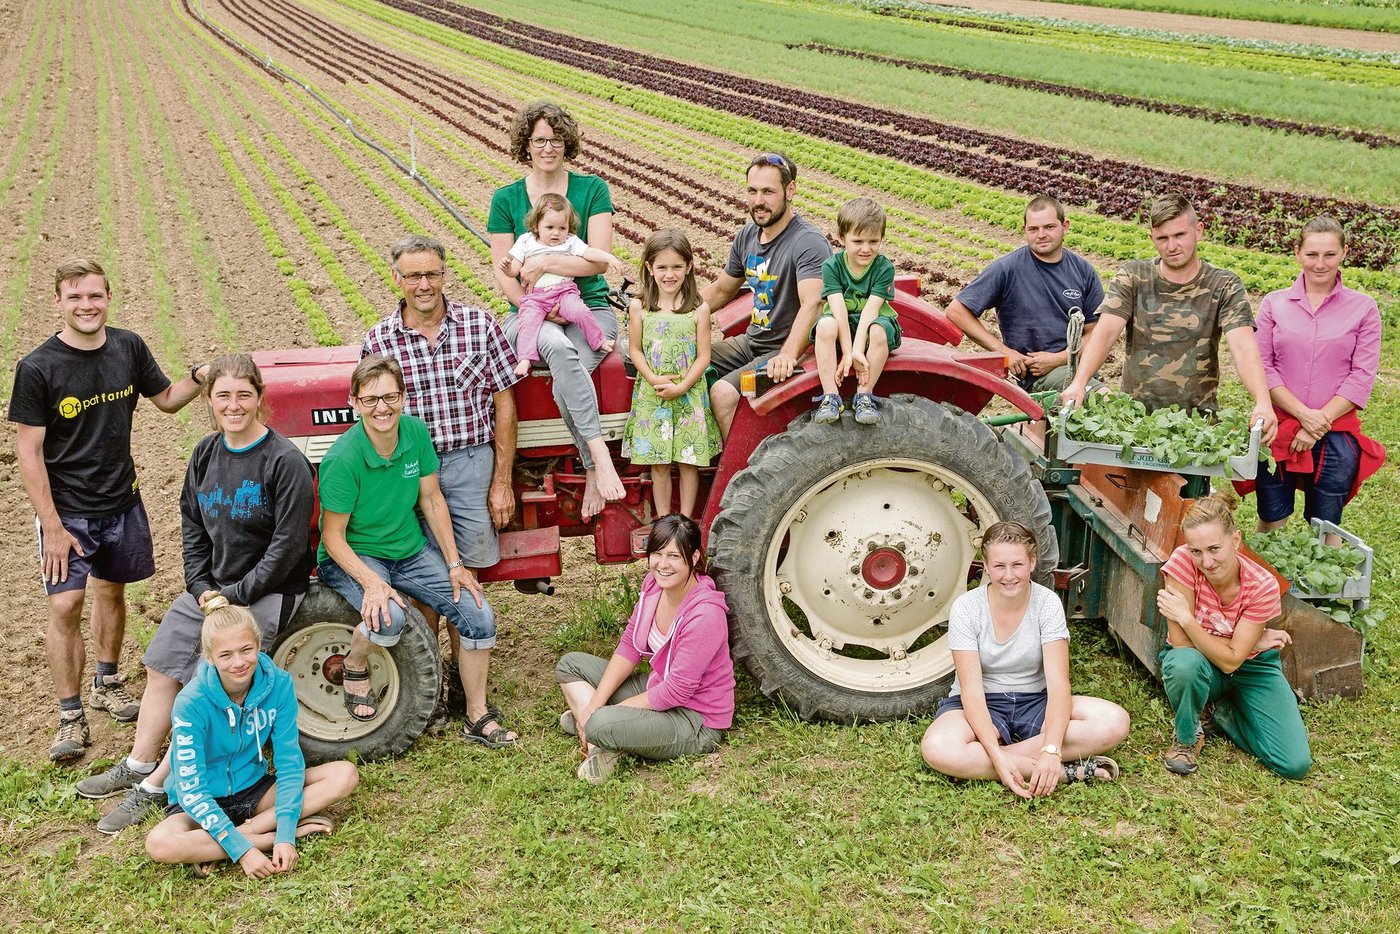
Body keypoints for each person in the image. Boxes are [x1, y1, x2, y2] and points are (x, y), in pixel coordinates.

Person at [76, 354, 315, 833]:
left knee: (208, 682)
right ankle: (141, 762)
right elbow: (192, 525)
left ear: (260, 398)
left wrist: (234, 595)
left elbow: (288, 546)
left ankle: (158, 788)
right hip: (214, 590)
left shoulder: (283, 460)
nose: (234, 405)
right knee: (161, 662)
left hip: (266, 591)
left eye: (244, 395)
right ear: (209, 401)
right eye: (223, 396)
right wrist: (202, 587)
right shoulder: (206, 453)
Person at [9, 258, 207, 762]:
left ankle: (107, 680)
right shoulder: (38, 368)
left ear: (108, 297)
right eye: (75, 297)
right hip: (67, 510)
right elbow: (28, 454)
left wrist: (203, 377)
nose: (86, 305)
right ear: (58, 302)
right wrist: (51, 527)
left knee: (111, 592)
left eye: (94, 295)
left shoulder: (127, 346)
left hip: (121, 498)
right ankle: (70, 714)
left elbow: (164, 399)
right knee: (64, 605)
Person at [363, 234, 522, 730]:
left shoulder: (478, 325)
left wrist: (501, 480)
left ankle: (462, 687)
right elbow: (374, 415)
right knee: (419, 576)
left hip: (468, 462)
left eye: (432, 273)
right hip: (409, 470)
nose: (424, 284)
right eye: (413, 275)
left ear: (444, 273)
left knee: (465, 574)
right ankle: (427, 688)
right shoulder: (380, 339)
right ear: (397, 279)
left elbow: (504, 404)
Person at [316, 355, 516, 747]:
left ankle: (476, 715)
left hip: (407, 549)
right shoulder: (343, 459)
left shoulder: (415, 433)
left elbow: (432, 500)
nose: (382, 408)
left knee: (478, 614)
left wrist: (456, 564)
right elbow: (333, 537)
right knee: (388, 617)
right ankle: (355, 664)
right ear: (354, 403)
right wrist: (372, 583)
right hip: (356, 556)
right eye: (370, 399)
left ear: (404, 398)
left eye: (390, 397)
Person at [144, 605, 359, 878]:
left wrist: (284, 835)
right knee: (160, 844)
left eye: (246, 650)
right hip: (200, 804)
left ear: (258, 645)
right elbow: (191, 790)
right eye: (225, 655)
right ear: (209, 657)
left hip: (254, 791)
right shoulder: (190, 702)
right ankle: (256, 839)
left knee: (344, 775)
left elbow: (289, 764)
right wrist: (246, 851)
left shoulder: (279, 684)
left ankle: (226, 841)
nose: (238, 662)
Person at [920, 521, 1129, 797]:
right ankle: (1067, 772)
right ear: (986, 564)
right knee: (937, 747)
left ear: (1032, 562)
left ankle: (975, 763)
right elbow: (970, 690)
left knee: (1114, 721)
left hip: (1035, 700)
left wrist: (1052, 750)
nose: (1009, 576)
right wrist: (995, 754)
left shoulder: (1047, 603)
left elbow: (1058, 684)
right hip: (983, 701)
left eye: (1017, 565)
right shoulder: (967, 607)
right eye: (999, 566)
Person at [488, 100, 624, 520]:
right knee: (562, 354)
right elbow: (505, 273)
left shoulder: (592, 190)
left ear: (568, 144)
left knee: (573, 368)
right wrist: (538, 308)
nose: (548, 148)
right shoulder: (506, 198)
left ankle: (590, 465)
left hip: (587, 307)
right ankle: (597, 461)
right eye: (540, 140)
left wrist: (545, 263)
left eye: (557, 139)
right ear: (526, 145)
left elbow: (597, 261)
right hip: (527, 313)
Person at [1061, 192, 1278, 445]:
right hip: (1134, 421)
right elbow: (1107, 331)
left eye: (1179, 235)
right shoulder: (1134, 276)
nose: (1171, 246)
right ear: (1151, 238)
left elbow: (1242, 346)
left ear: (1199, 231)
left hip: (1198, 425)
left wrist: (1263, 401)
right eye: (1162, 238)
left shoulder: (1224, 284)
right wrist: (1079, 382)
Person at [555, 514, 734, 784]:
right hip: (657, 687)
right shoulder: (653, 586)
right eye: (657, 554)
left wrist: (610, 713)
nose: (663, 565)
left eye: (674, 556)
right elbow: (629, 646)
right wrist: (595, 704)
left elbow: (677, 691)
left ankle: (600, 736)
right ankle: (600, 735)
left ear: (694, 557)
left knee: (600, 722)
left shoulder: (705, 614)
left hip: (695, 720)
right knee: (570, 665)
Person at [1245, 216, 1385, 543]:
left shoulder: (1363, 308)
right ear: (1297, 252)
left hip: (1335, 430)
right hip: (1278, 428)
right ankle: (1268, 590)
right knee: (1271, 517)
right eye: (1312, 254)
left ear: (1344, 253)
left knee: (1326, 527)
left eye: (1329, 254)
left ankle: (1319, 594)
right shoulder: (1274, 303)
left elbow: (1362, 375)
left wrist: (1316, 423)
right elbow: (1263, 366)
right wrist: (1303, 415)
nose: (1320, 264)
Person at [1156, 492, 1311, 779]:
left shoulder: (1261, 585)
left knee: (1294, 765)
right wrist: (1247, 641)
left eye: (1215, 548)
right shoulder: (1182, 562)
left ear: (1236, 540)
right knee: (1183, 664)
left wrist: (1188, 619)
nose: (1207, 561)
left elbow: (1232, 662)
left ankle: (1224, 714)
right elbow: (1180, 644)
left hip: (1253, 667)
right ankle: (1187, 738)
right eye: (1196, 551)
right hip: (1200, 663)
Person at [701, 152, 832, 440]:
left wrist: (787, 355)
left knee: (723, 393)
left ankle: (737, 477)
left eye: (768, 191)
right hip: (752, 342)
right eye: (752, 191)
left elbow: (813, 303)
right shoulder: (748, 236)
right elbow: (722, 290)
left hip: (787, 350)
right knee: (683, 358)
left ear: (790, 190)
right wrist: (670, 312)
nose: (759, 200)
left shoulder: (807, 242)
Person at [944, 194, 1103, 392]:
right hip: (1036, 375)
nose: (1041, 234)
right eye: (1033, 229)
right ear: (1024, 231)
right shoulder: (1007, 269)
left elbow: (1096, 331)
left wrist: (1059, 358)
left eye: (1049, 227)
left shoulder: (1083, 270)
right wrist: (1004, 352)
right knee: (1102, 399)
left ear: (1065, 226)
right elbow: (956, 311)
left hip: (1078, 367)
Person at [622, 229, 721, 518]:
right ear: (649, 268)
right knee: (659, 462)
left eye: (677, 267)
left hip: (688, 394)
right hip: (653, 395)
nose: (670, 274)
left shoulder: (698, 309)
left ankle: (686, 519)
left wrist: (682, 387)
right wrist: (653, 379)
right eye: (662, 267)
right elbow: (635, 350)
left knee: (688, 461)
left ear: (689, 267)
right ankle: (664, 519)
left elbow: (704, 357)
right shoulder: (639, 307)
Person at [499, 193, 624, 377]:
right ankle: (525, 358)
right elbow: (515, 270)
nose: (556, 233)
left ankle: (598, 341)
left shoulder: (570, 241)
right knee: (528, 321)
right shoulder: (526, 241)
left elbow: (589, 253)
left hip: (565, 292)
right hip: (537, 297)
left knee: (580, 311)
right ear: (536, 226)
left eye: (562, 228)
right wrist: (508, 268)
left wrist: (608, 257)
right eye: (549, 227)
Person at [811, 197, 902, 425]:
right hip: (844, 322)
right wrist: (847, 351)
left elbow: (872, 309)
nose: (865, 248)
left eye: (873, 241)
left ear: (882, 238)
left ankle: (864, 395)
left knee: (878, 330)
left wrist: (858, 351)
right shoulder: (831, 266)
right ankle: (830, 396)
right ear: (842, 238)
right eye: (858, 241)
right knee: (825, 325)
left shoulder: (883, 267)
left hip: (872, 323)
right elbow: (838, 308)